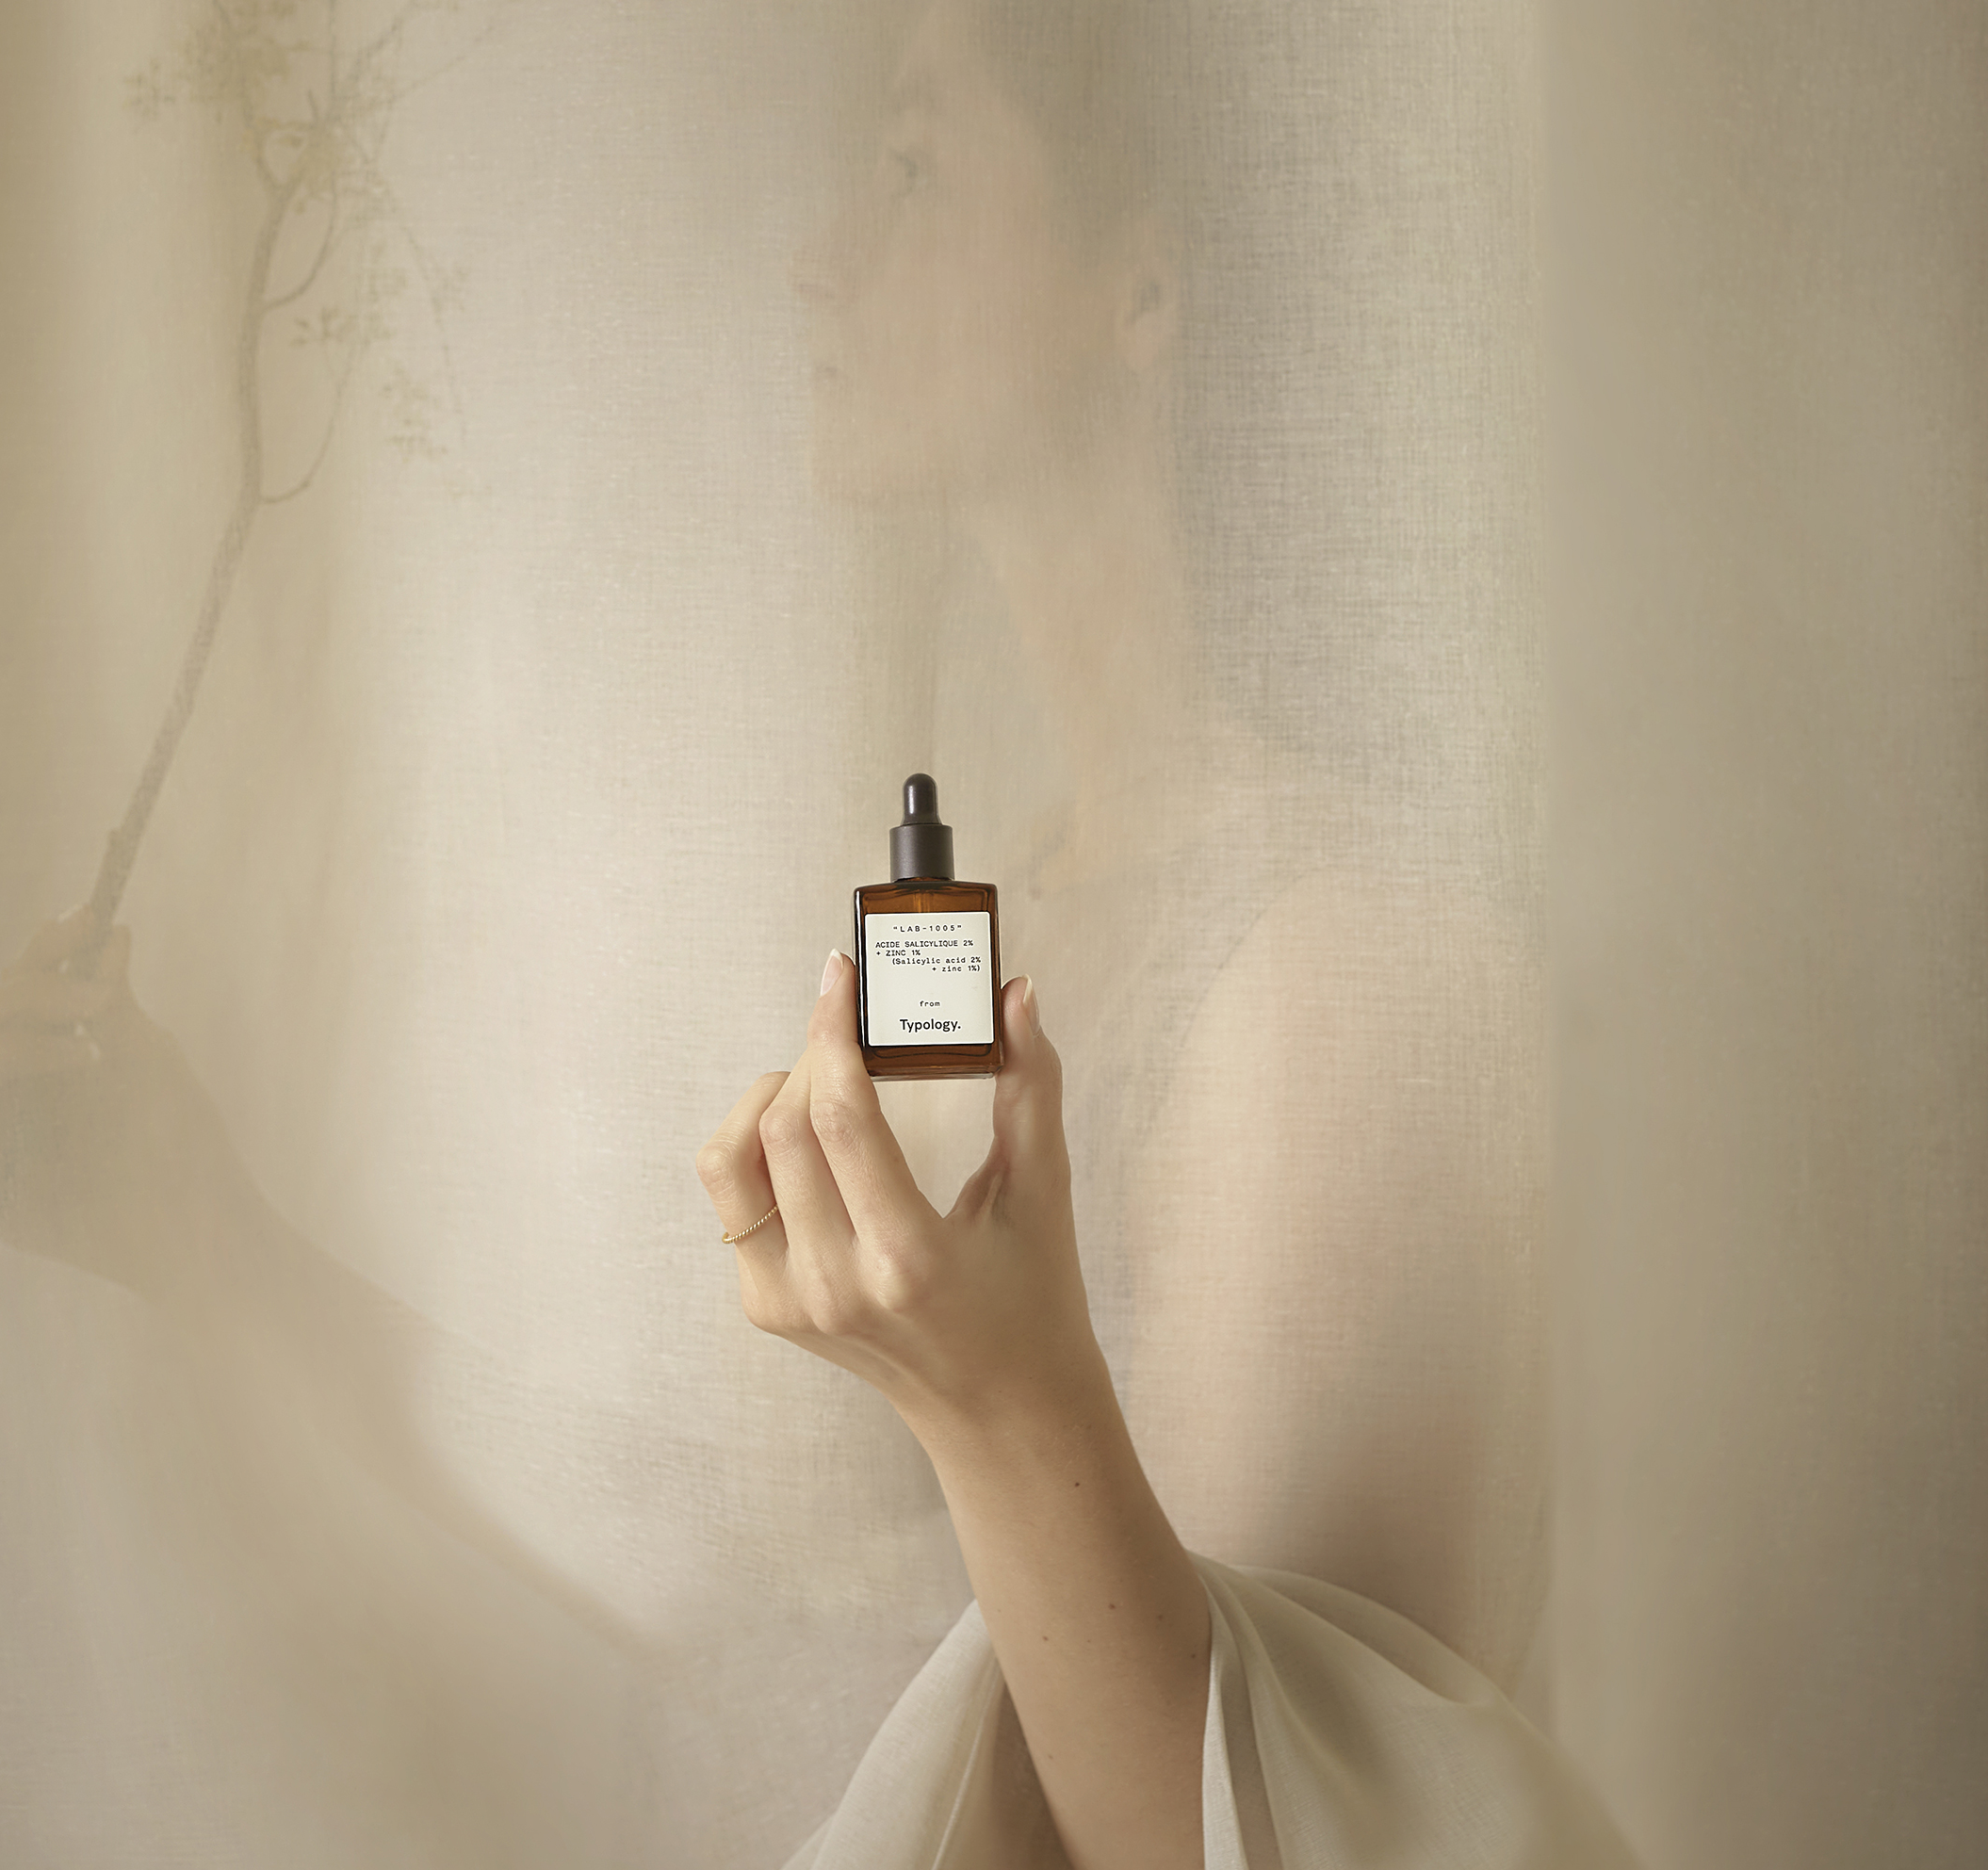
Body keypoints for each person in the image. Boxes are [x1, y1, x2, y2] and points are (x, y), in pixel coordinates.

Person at [689, 3, 1633, 1865]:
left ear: (1141, 281)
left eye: (907, 169)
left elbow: (1253, 1829)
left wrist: (997, 1404)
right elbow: (748, 1629)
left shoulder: (1343, 985)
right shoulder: (1013, 910)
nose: (814, 259)